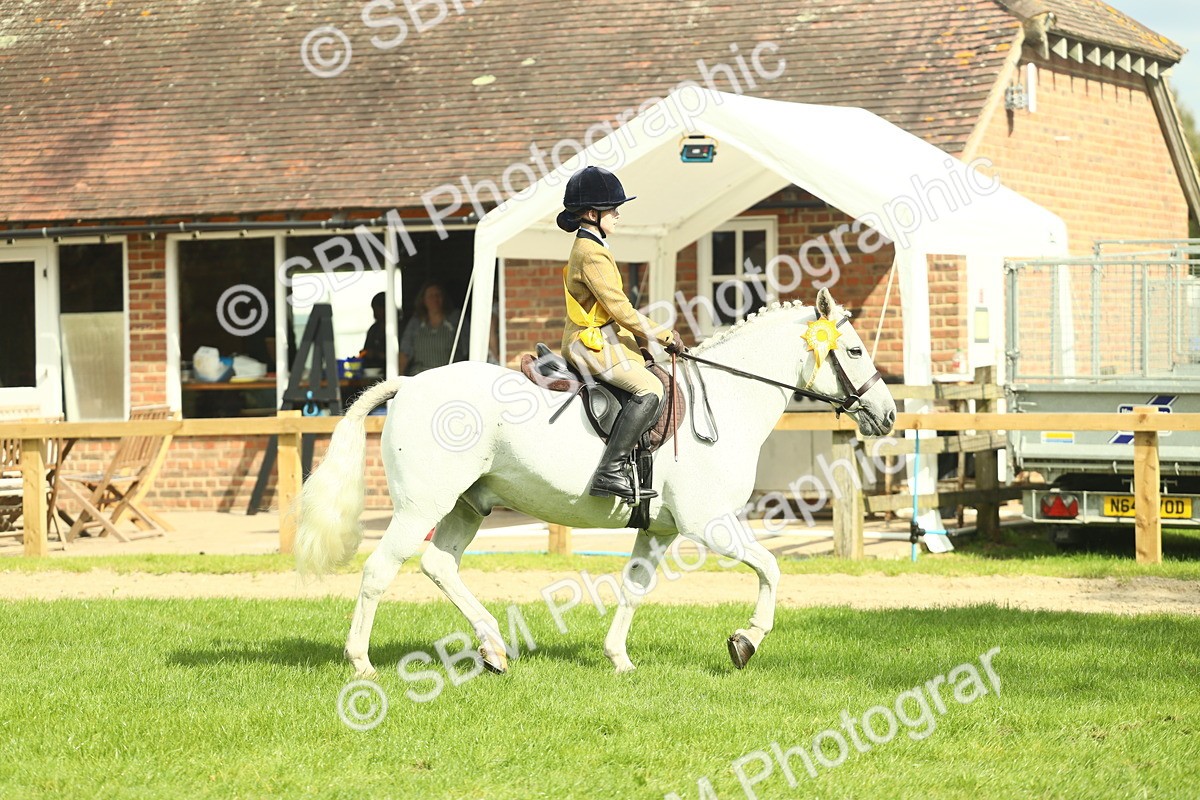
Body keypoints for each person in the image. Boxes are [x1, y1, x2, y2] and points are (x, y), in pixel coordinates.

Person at [558, 165, 684, 501]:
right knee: (651, 389)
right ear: (591, 214)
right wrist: (666, 336)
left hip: (604, 336)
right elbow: (621, 311)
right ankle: (609, 470)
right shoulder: (591, 253)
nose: (617, 214)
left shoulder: (593, 245)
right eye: (612, 209)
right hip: (589, 342)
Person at [399, 281, 464, 375]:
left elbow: (468, 350)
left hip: (450, 376)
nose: (435, 299)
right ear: (423, 300)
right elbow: (404, 353)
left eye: (438, 295)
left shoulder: (456, 319)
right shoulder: (415, 322)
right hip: (421, 376)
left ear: (444, 298)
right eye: (430, 296)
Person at [359, 291, 388, 371]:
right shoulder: (373, 329)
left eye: (377, 309)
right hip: (372, 370)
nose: (374, 313)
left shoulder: (397, 328)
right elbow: (366, 350)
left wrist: (376, 354)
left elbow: (401, 355)